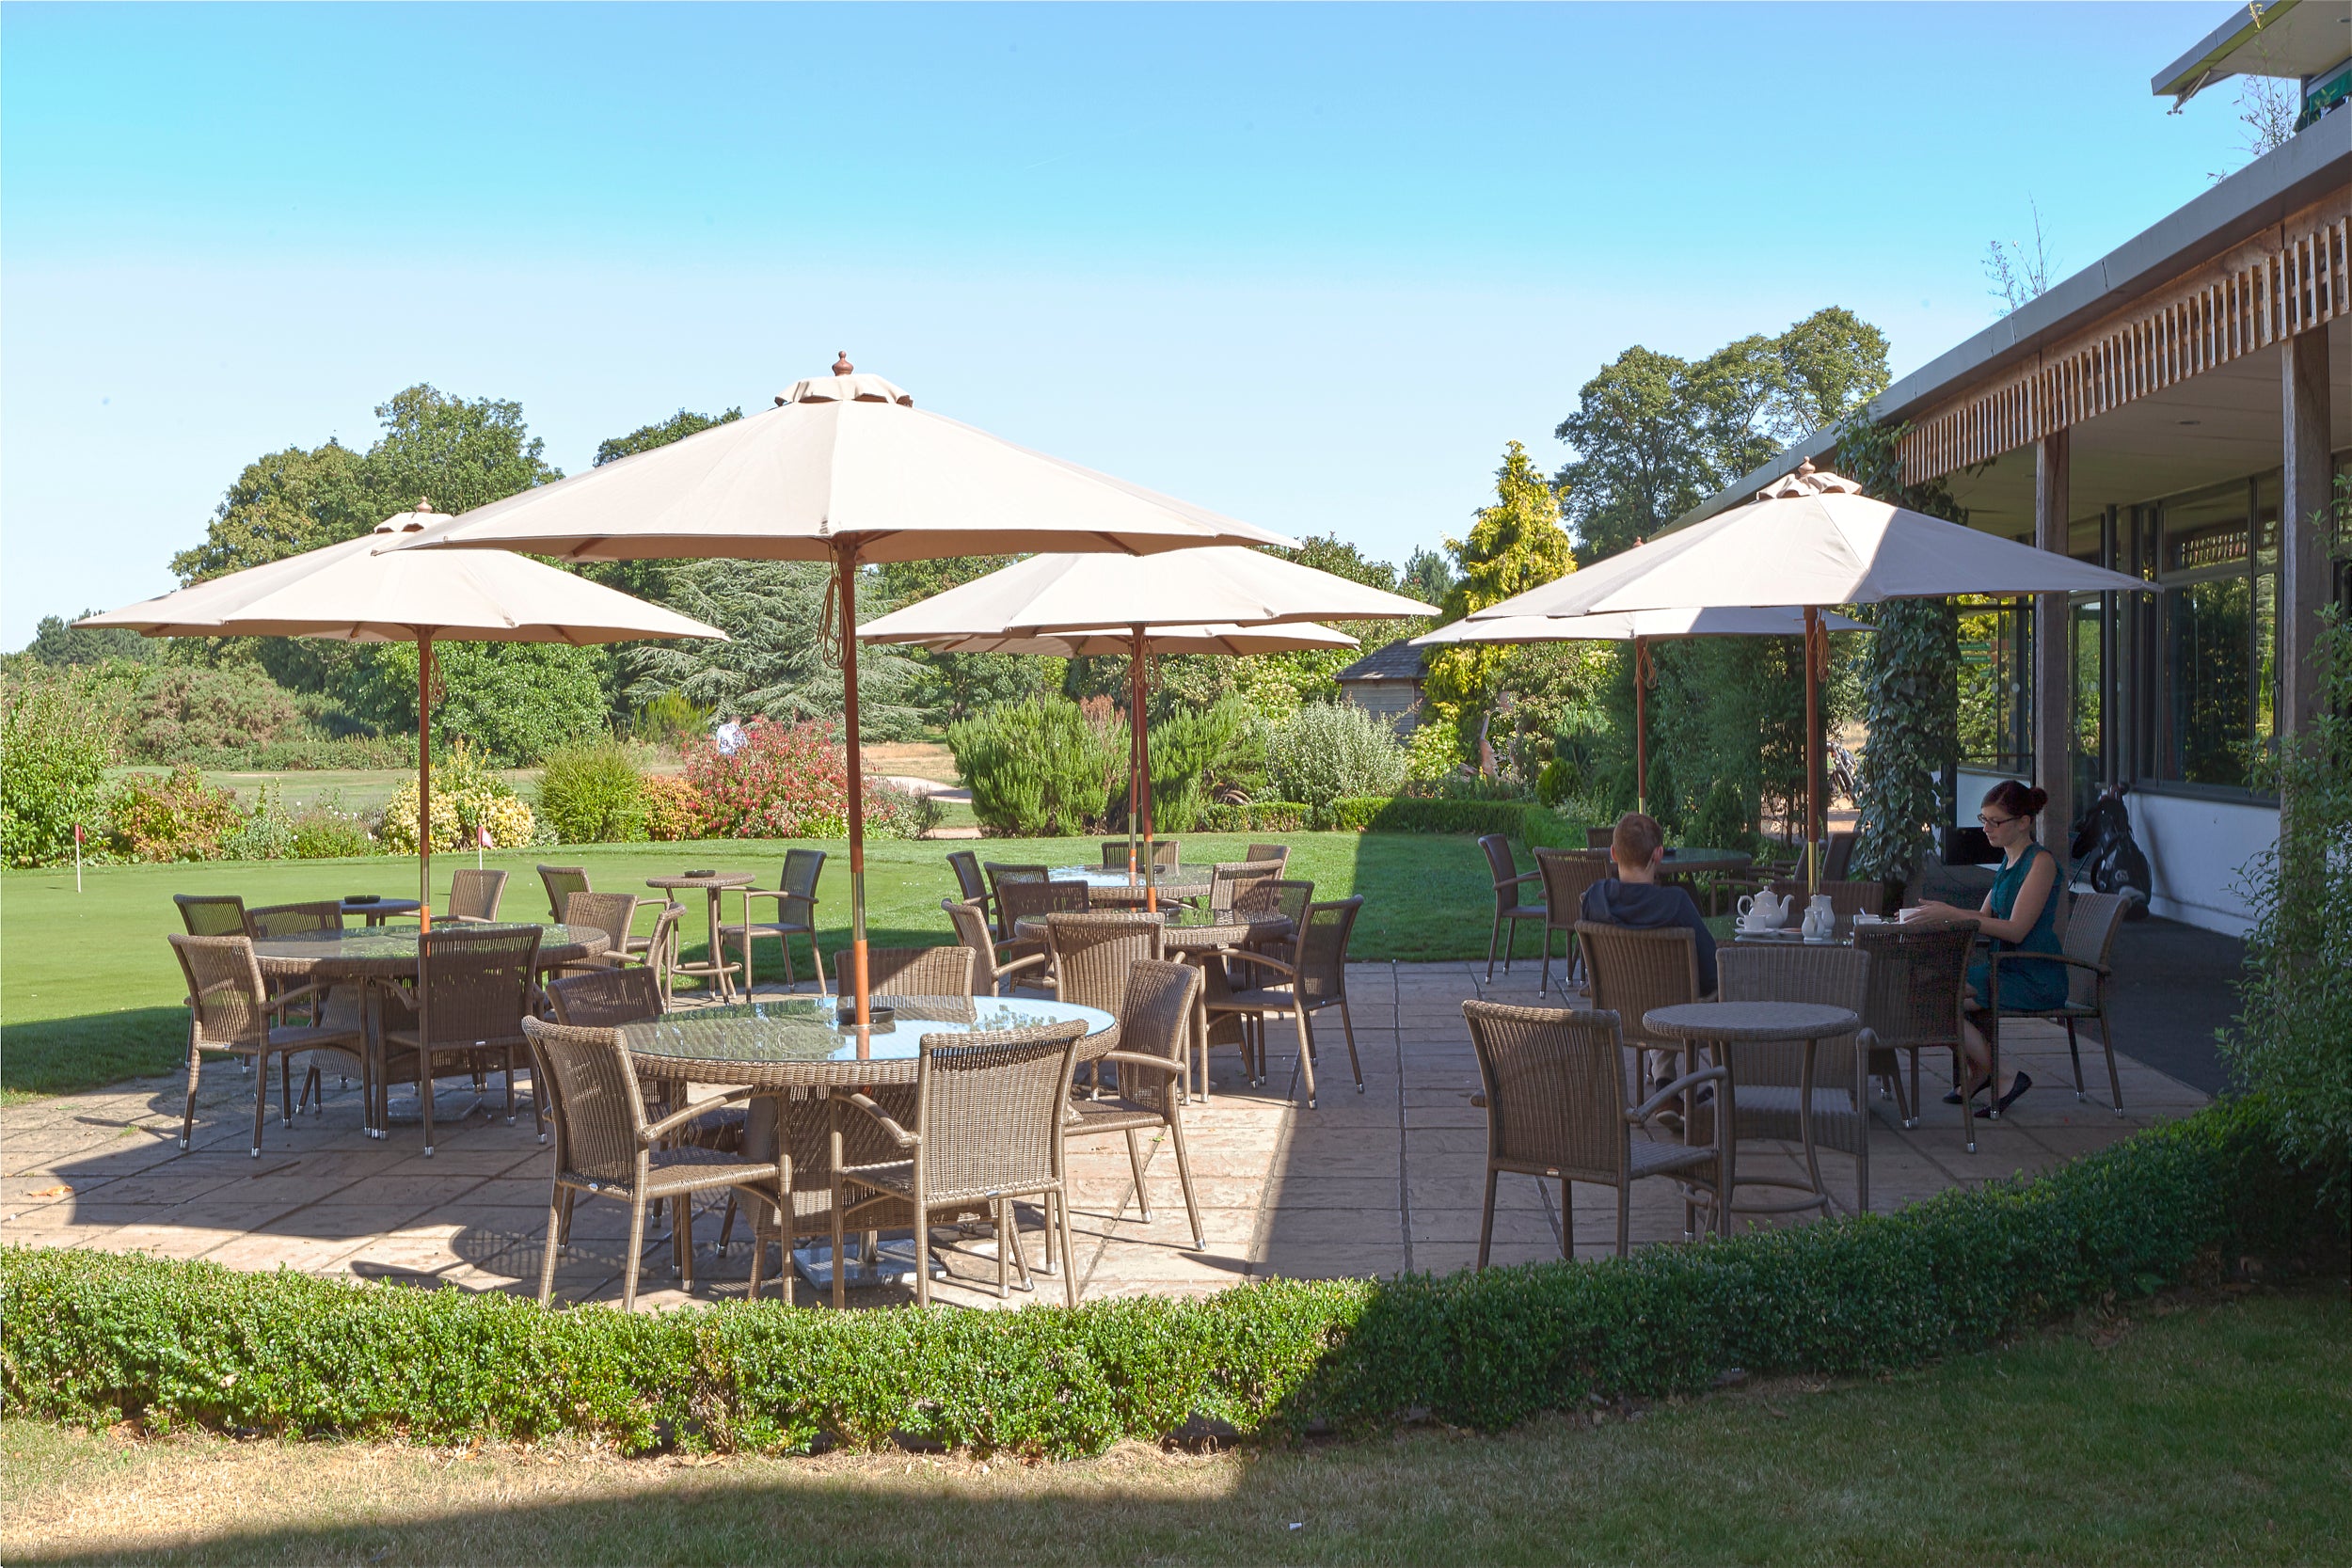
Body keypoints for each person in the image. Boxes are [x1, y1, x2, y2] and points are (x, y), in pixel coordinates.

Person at [1910, 779, 2058, 1117]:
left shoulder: (2041, 863)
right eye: (1984, 819)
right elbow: (1981, 917)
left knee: (1937, 999)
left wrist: (1950, 913)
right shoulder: (2008, 862)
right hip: (2002, 967)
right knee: (1926, 994)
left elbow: (2017, 930)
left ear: (2024, 822)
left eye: (1996, 821)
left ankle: (2001, 1074)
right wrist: (1936, 916)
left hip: (2032, 973)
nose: (1987, 828)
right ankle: (1984, 1071)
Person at [1579, 811, 1718, 995]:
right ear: (1659, 853)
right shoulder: (1676, 904)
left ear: (1613, 853)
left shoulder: (1594, 898)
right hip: (1674, 1018)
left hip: (1615, 1015)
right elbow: (1712, 974)